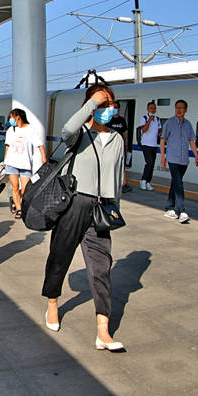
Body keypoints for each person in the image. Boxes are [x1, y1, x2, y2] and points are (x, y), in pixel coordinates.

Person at [41, 83, 126, 352]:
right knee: (60, 256)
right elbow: (66, 129)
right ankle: (52, 304)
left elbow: (118, 177)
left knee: (101, 268)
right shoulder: (80, 135)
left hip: (101, 209)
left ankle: (103, 330)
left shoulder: (118, 140)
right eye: (103, 104)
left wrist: (115, 209)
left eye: (111, 104)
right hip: (74, 203)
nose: (108, 109)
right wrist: (92, 103)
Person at [159, 99, 198, 223]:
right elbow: (163, 139)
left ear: (186, 110)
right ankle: (181, 211)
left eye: (182, 108)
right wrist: (162, 157)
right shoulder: (169, 123)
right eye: (177, 107)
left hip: (184, 160)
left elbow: (192, 141)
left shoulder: (188, 124)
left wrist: (196, 157)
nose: (179, 110)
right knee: (179, 184)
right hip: (172, 158)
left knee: (176, 183)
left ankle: (169, 207)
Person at [2, 108, 47, 219]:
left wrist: (44, 157)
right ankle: (19, 209)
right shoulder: (10, 130)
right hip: (11, 163)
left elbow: (39, 144)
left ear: (18, 117)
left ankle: (15, 199)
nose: (11, 119)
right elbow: (7, 146)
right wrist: (5, 160)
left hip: (25, 164)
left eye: (12, 117)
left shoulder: (30, 129)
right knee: (15, 186)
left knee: (26, 189)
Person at [138, 100, 161, 191]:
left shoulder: (157, 119)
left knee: (152, 164)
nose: (153, 109)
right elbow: (143, 129)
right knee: (149, 163)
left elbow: (159, 130)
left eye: (154, 108)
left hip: (154, 145)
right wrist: (149, 121)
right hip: (146, 144)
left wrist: (160, 133)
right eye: (151, 108)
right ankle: (143, 180)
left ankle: (148, 182)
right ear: (147, 109)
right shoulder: (144, 118)